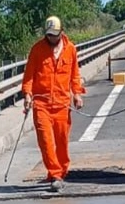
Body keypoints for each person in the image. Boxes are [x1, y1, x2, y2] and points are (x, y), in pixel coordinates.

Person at [21, 15, 85, 191]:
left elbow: (74, 74)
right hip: (42, 104)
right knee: (46, 141)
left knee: (62, 141)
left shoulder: (70, 49)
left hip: (62, 104)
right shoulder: (37, 50)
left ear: (61, 32)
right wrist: (27, 94)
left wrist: (77, 94)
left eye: (55, 35)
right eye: (49, 35)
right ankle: (55, 174)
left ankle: (61, 171)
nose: (52, 38)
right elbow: (29, 76)